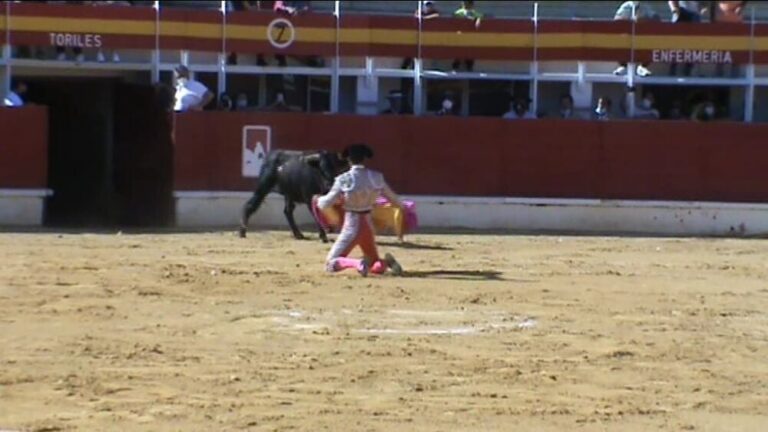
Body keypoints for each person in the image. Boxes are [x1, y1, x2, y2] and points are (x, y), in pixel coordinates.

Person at [314, 143, 404, 277]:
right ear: (365, 159)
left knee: (330, 264)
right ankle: (386, 263)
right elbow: (396, 201)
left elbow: (325, 204)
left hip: (352, 225)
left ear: (348, 160)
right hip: (368, 225)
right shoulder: (376, 177)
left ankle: (357, 264)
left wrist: (317, 199)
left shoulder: (343, 179)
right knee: (375, 263)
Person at [613, 1, 658, 77]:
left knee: (652, 43)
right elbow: (616, 20)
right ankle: (623, 66)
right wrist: (626, 21)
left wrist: (644, 20)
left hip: (641, 37)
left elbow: (656, 18)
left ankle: (642, 67)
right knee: (617, 42)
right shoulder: (626, 6)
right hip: (627, 37)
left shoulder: (645, 7)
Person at [452, 1, 483, 72]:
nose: (466, 4)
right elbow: (454, 21)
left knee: (470, 51)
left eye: (468, 3)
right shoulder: (458, 12)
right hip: (461, 35)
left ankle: (469, 67)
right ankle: (455, 67)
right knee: (458, 51)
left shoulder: (475, 13)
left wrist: (479, 20)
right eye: (465, 2)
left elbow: (480, 17)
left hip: (471, 36)